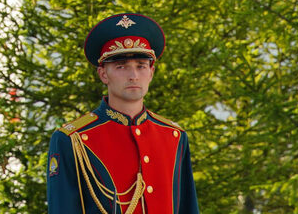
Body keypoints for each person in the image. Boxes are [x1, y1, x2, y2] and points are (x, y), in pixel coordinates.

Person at [46, 13, 199, 214]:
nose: (133, 75)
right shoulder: (73, 140)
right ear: (103, 74)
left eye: (141, 66)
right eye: (121, 67)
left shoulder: (174, 137)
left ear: (151, 73)